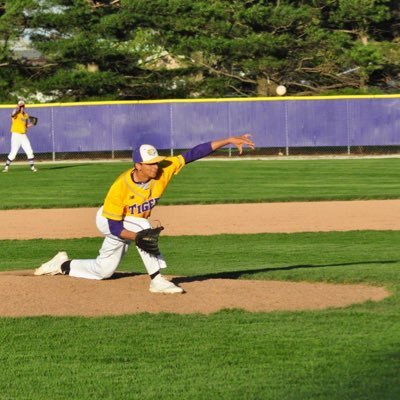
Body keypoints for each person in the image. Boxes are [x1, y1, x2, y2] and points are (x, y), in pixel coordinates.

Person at [34, 134, 255, 293]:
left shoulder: (163, 169)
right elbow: (114, 228)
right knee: (143, 227)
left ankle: (61, 264)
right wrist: (139, 237)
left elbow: (193, 154)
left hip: (130, 223)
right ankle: (157, 280)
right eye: (150, 164)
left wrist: (227, 140)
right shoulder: (120, 187)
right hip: (109, 220)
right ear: (138, 165)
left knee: (103, 271)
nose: (155, 167)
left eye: (156, 162)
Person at [2, 100, 37, 173]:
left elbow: (25, 126)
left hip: (23, 135)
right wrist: (17, 107)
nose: (22, 107)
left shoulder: (26, 115)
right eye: (21, 106)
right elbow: (12, 114)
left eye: (23, 106)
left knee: (29, 151)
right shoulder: (16, 114)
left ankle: (32, 167)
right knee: (13, 153)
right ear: (18, 106)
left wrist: (31, 124)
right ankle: (6, 167)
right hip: (15, 135)